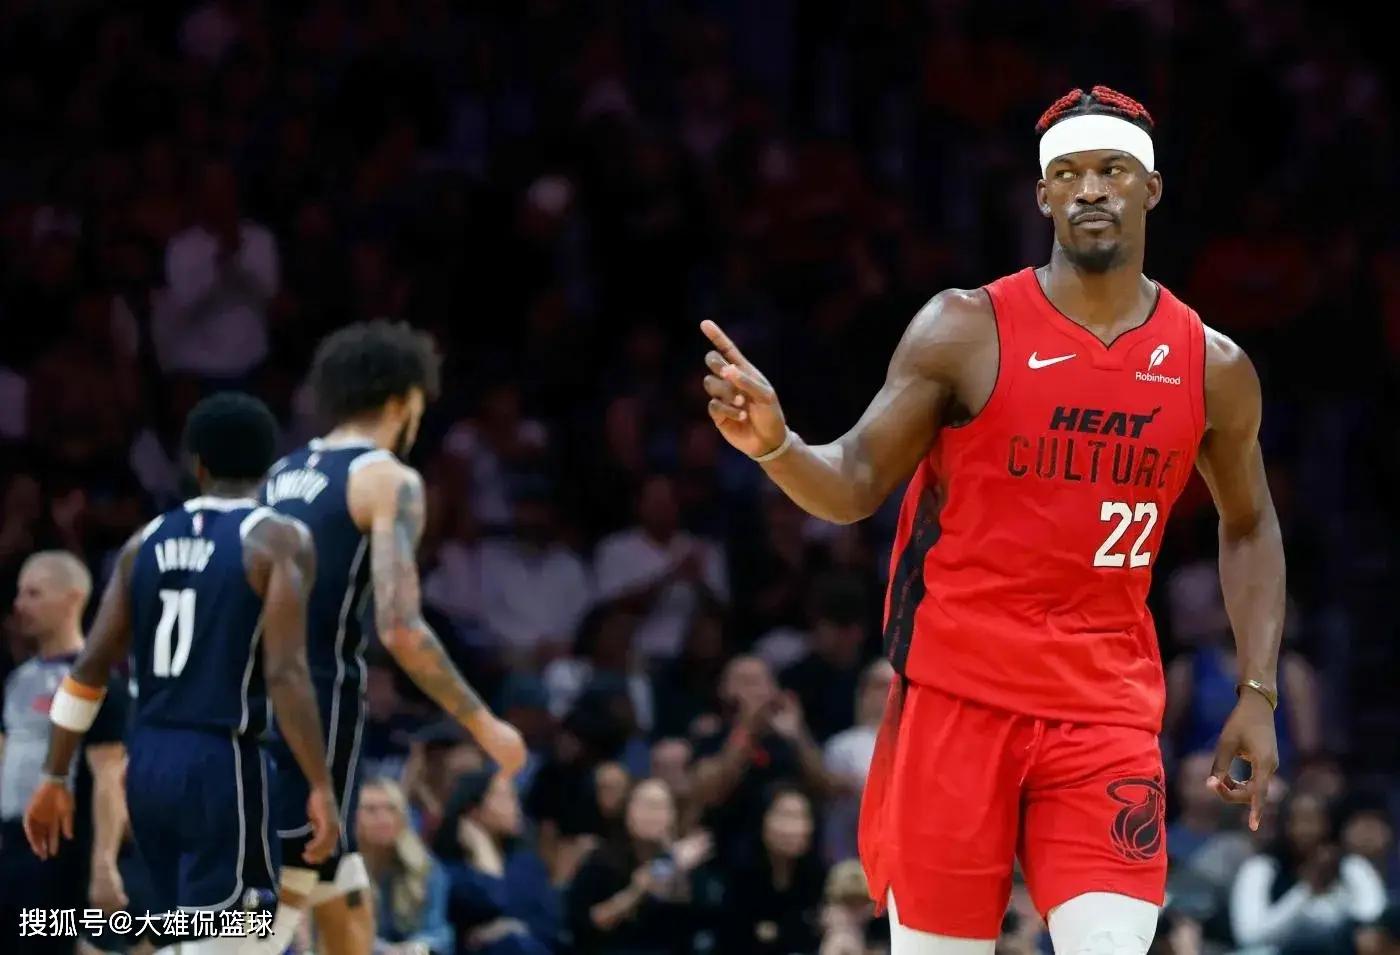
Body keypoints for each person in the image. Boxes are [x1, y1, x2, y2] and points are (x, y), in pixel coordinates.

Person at [699, 85, 1287, 955]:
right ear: (1043, 195)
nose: (1091, 189)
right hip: (956, 700)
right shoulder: (963, 329)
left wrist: (1258, 690)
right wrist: (778, 447)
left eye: (1112, 169)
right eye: (1069, 174)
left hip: (1103, 710)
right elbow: (854, 483)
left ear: (1151, 189)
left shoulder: (1212, 365)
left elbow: (1251, 523)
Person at [22, 392, 342, 949]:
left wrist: (54, 774)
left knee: (182, 932)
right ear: (269, 466)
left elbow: (89, 668)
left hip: (147, 762)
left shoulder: (142, 543)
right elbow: (288, 674)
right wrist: (319, 783)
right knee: (236, 935)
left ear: (197, 464)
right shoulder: (277, 539)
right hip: (220, 759)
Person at [257, 320, 527, 955]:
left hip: (253, 702)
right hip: (316, 711)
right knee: (263, 927)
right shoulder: (388, 478)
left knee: (342, 901)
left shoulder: (279, 474)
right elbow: (401, 628)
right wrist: (484, 724)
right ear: (405, 400)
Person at [0, 552, 126, 955]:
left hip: (61, 851)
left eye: (34, 593)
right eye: (19, 593)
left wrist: (104, 863)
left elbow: (109, 777)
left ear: (72, 599)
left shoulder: (99, 683)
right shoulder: (17, 679)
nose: (20, 604)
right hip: (10, 849)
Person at [566, 777, 713, 955]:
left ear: (672, 816)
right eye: (644, 805)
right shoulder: (601, 859)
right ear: (627, 812)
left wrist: (677, 868)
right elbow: (588, 923)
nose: (651, 815)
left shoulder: (685, 859)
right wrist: (636, 892)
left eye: (659, 807)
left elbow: (699, 920)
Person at [1231, 790, 1387, 952]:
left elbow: (1373, 918)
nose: (1305, 830)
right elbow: (1249, 936)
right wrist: (1305, 889)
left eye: (1313, 820)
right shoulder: (1260, 868)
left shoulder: (1352, 866)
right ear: (1283, 825)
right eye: (1296, 821)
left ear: (1329, 824)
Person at [356, 778, 454, 955]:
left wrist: (414, 948)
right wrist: (385, 951)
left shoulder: (425, 867)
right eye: (371, 810)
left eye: (391, 809)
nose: (383, 819)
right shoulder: (340, 869)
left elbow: (438, 932)